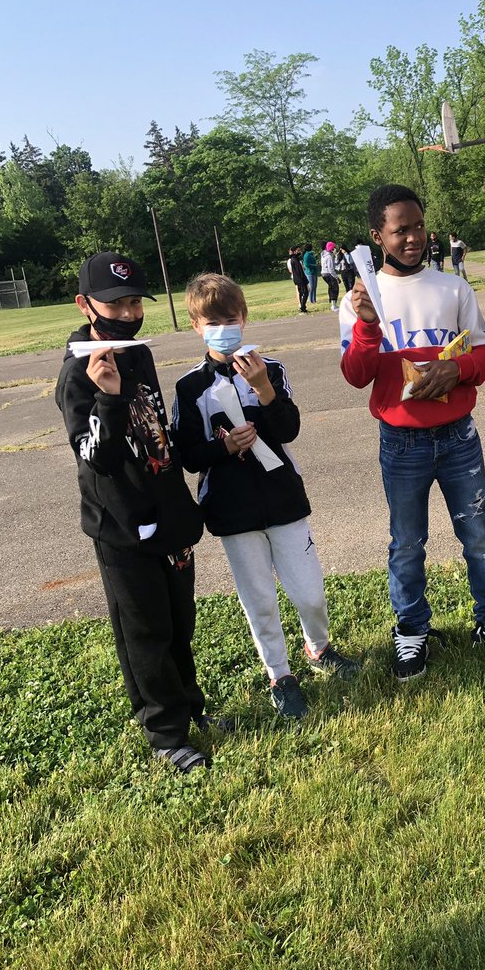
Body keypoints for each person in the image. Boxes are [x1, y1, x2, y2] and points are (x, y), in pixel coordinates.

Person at [339, 184, 485, 680]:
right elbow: (356, 375)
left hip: (458, 437)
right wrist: (366, 327)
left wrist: (456, 370)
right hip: (402, 443)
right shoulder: (362, 298)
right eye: (400, 230)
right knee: (406, 542)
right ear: (379, 236)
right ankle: (412, 630)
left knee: (479, 535)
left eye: (418, 226)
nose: (413, 237)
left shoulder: (452, 288)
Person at [55, 251, 214, 775]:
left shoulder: (139, 354)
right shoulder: (78, 375)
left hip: (167, 515)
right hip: (122, 526)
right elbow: (92, 456)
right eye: (114, 304)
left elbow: (157, 430)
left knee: (179, 622)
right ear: (85, 304)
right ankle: (165, 732)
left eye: (134, 304)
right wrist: (107, 398)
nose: (127, 314)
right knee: (144, 631)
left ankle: (190, 706)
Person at [173, 272, 359, 723]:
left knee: (309, 592)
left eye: (230, 317)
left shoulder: (270, 368)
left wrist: (263, 390)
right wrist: (225, 447)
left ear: (244, 316)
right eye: (211, 320)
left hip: (283, 499)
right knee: (259, 599)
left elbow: (289, 429)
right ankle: (279, 674)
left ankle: (318, 647)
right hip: (232, 508)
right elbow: (188, 455)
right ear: (197, 326)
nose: (223, 326)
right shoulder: (190, 387)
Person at [287, 246, 308, 313]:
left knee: (302, 293)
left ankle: (303, 307)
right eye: (298, 250)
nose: (299, 252)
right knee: (305, 293)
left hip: (298, 279)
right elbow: (299, 271)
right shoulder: (294, 260)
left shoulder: (295, 259)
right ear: (294, 251)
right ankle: (302, 308)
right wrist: (304, 280)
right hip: (300, 279)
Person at [321, 241, 341, 311]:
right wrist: (336, 277)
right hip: (328, 274)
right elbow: (331, 269)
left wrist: (335, 256)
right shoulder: (329, 256)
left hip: (324, 273)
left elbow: (334, 264)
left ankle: (333, 304)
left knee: (331, 287)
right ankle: (334, 305)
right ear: (332, 248)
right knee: (334, 288)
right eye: (334, 248)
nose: (335, 249)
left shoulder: (324, 255)